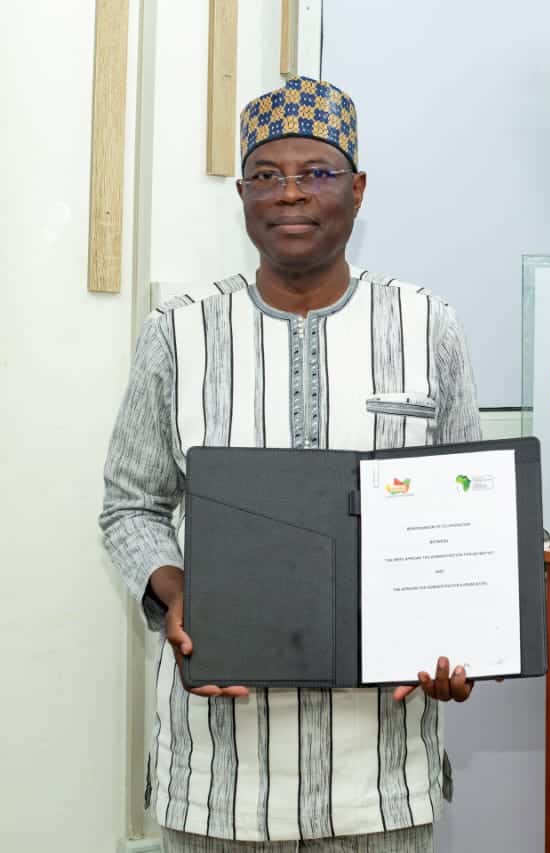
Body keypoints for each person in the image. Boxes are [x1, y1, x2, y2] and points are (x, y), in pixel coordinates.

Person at [100, 77, 482, 851]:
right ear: (243, 195)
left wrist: (462, 632)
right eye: (267, 175)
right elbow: (130, 505)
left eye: (317, 172)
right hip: (220, 780)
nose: (291, 194)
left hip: (380, 778)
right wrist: (180, 593)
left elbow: (473, 515)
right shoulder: (180, 334)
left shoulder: (426, 326)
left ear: (357, 189)